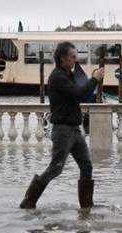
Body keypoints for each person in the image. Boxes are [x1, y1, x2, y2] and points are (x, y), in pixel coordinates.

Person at [19, 41, 104, 209]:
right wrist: (94, 79)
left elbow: (77, 94)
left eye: (75, 57)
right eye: (72, 57)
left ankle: (86, 206)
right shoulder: (58, 77)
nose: (75, 60)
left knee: (86, 166)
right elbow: (80, 94)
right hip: (63, 131)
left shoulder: (67, 74)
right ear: (63, 58)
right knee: (56, 168)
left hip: (74, 130)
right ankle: (28, 201)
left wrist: (93, 80)